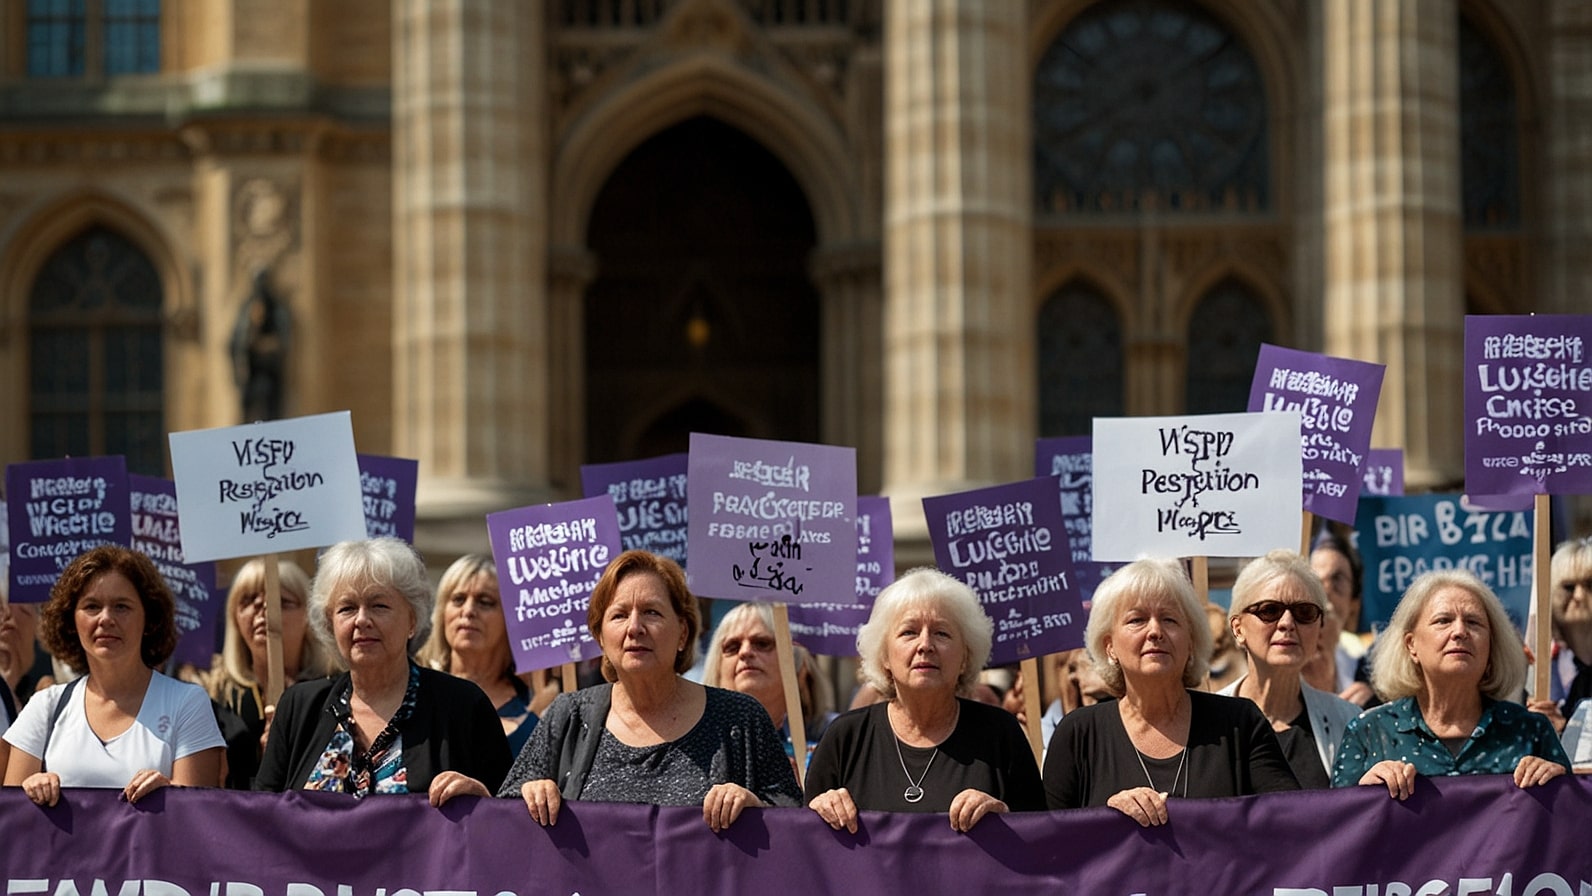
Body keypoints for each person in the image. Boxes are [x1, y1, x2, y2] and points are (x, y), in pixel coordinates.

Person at [499, 550, 800, 832]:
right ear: (600, 637)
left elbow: (794, 821)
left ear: (683, 633)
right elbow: (502, 816)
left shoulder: (740, 718)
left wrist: (756, 808)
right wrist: (529, 793)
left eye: (651, 612)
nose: (635, 628)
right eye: (619, 615)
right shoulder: (568, 716)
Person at [1044, 558, 1299, 826]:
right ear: (1109, 646)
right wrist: (1105, 818)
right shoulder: (1078, 734)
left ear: (1191, 642)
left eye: (1169, 619)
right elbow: (1048, 842)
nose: (1155, 631)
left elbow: (1289, 822)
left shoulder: (1240, 724)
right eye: (1137, 619)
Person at [255, 538, 511, 804]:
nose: (362, 620)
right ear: (330, 624)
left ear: (412, 619)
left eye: (379, 606)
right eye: (347, 608)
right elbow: (263, 820)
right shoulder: (299, 707)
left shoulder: (464, 706)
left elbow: (507, 818)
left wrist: (482, 800)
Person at [805, 568, 1043, 834]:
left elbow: (1042, 842)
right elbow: (805, 848)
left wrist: (1006, 820)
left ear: (965, 656)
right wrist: (819, 810)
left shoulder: (1000, 733)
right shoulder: (844, 737)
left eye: (942, 633)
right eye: (909, 632)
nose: (925, 645)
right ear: (884, 656)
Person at [3, 546, 225, 806]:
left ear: (149, 619)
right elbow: (12, 823)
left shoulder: (187, 703)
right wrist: (30, 790)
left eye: (121, 606)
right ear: (70, 620)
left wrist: (170, 796)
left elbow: (198, 820)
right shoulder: (44, 707)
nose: (106, 618)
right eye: (92, 606)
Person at [1330, 569, 1569, 797]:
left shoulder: (1531, 732)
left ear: (1491, 645)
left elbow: (1569, 830)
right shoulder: (1369, 732)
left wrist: (1560, 789)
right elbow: (1338, 831)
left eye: (1474, 622)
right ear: (1411, 644)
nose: (1460, 631)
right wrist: (1362, 796)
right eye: (1443, 620)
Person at [1217, 550, 1360, 788]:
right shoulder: (1201, 725)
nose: (1287, 623)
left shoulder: (1348, 723)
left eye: (1304, 612)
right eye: (1269, 610)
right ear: (1238, 628)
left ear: (1319, 627)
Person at [203, 557, 340, 788]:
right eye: (248, 600)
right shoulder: (213, 695)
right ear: (234, 618)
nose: (264, 608)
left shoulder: (336, 691)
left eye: (282, 601)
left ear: (309, 616)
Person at [416, 554, 542, 756]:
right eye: (458, 599)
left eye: (485, 602)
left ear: (511, 619)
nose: (468, 611)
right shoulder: (413, 691)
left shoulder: (537, 704)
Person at [702, 601, 831, 755]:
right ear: (716, 669)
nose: (745, 652)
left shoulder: (832, 741)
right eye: (732, 647)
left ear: (798, 669)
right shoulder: (694, 744)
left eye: (762, 643)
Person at [1528, 537, 1592, 730]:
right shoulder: (1537, 666)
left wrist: (1568, 731)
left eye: (1590, 585)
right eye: (1569, 587)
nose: (1579, 596)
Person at [1308, 526, 1374, 706]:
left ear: (1354, 605)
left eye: (1336, 581)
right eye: (1313, 580)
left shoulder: (1365, 673)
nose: (1324, 591)